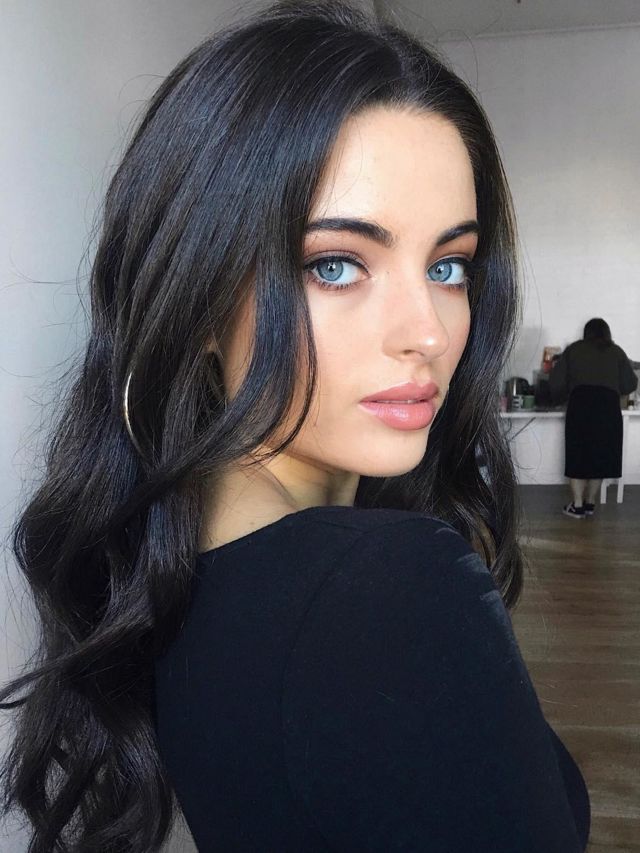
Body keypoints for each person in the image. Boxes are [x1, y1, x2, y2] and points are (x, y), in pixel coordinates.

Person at [0, 1, 590, 850]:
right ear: (198, 298)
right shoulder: (387, 593)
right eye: (337, 265)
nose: (427, 332)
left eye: (449, 265)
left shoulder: (174, 574)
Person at [549, 318, 638, 518]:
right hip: (608, 408)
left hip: (580, 406)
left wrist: (561, 397)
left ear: (586, 333)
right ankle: (590, 503)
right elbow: (630, 384)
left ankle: (577, 505)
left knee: (578, 456)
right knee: (600, 457)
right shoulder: (616, 351)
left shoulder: (574, 349)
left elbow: (556, 381)